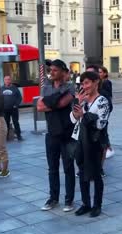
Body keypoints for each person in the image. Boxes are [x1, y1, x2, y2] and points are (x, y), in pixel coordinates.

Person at [37, 59, 76, 212]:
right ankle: (53, 198)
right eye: (50, 70)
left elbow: (62, 104)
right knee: (52, 168)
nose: (51, 72)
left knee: (68, 168)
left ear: (62, 71)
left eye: (54, 70)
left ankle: (69, 200)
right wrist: (54, 100)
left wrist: (49, 103)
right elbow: (40, 107)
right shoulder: (46, 87)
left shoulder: (70, 87)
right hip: (51, 133)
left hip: (67, 133)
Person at [71, 71, 111, 217]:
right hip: (81, 140)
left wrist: (84, 115)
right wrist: (77, 102)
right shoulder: (83, 99)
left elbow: (100, 124)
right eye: (82, 83)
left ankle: (97, 205)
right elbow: (73, 119)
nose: (84, 86)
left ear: (96, 82)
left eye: (87, 83)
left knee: (95, 174)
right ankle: (85, 203)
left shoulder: (102, 101)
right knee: (82, 173)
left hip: (94, 142)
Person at [98, 66, 115, 161]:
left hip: (105, 108)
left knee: (104, 128)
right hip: (104, 108)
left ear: (105, 73)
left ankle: (108, 148)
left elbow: (108, 96)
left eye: (100, 72)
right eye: (98, 72)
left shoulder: (106, 83)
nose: (99, 74)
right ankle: (108, 148)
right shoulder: (101, 83)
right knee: (103, 128)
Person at [2, 75, 23, 141]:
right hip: (5, 109)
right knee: (6, 123)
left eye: (8, 79)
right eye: (6, 79)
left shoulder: (15, 88)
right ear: (4, 80)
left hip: (14, 109)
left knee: (16, 122)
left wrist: (16, 105)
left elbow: (19, 97)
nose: (7, 81)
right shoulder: (1, 88)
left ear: (10, 80)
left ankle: (19, 135)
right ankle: (6, 137)